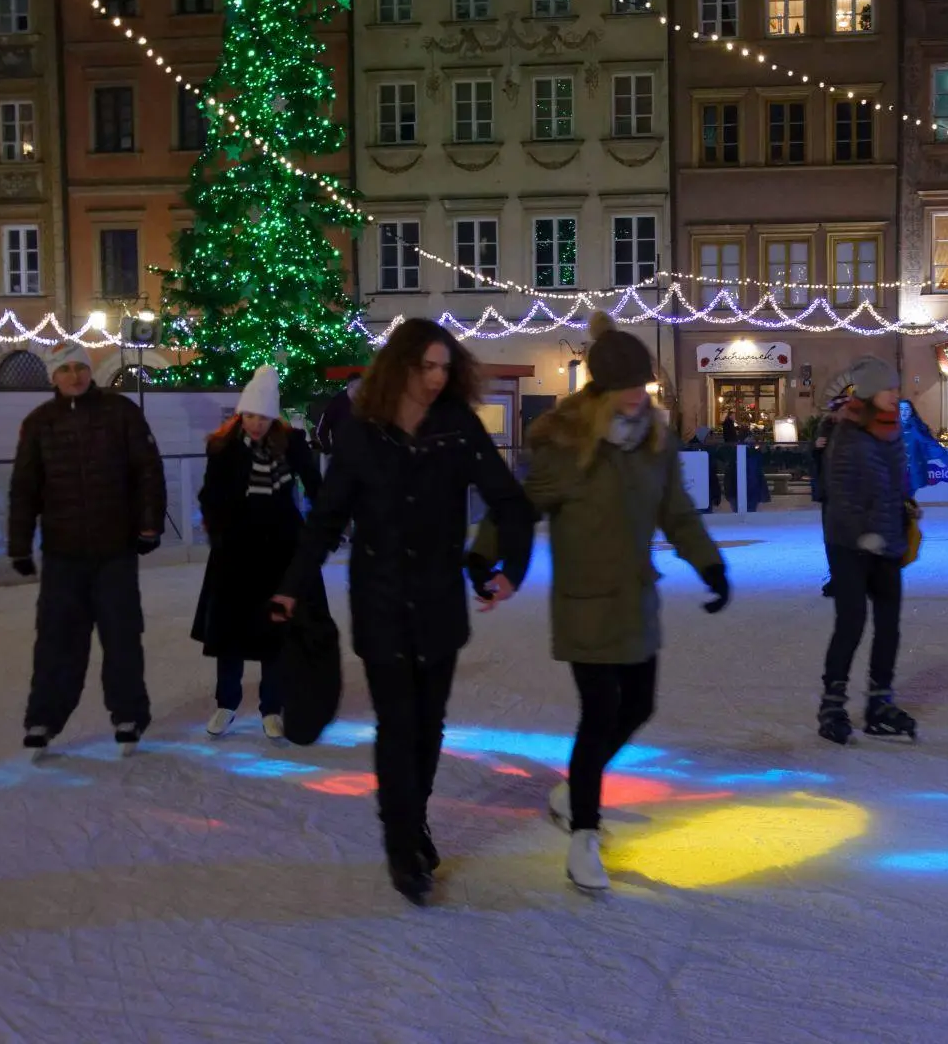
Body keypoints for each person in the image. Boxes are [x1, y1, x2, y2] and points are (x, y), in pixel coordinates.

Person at [271, 319, 534, 905]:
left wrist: (508, 568)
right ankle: (400, 842)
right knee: (397, 722)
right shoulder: (363, 435)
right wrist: (291, 584)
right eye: (427, 367)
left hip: (439, 598)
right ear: (402, 368)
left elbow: (511, 503)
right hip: (382, 598)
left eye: (446, 367)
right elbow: (327, 519)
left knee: (429, 723)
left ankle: (412, 821)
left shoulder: (458, 427)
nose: (438, 378)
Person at [474, 311, 727, 891]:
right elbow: (519, 508)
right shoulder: (566, 446)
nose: (638, 397)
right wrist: (482, 554)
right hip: (584, 601)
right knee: (599, 714)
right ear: (602, 390)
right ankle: (584, 834)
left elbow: (677, 512)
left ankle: (569, 792)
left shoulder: (655, 444)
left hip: (636, 599)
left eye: (644, 386)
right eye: (627, 388)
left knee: (638, 707)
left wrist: (708, 562)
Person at [8, 340, 166, 758]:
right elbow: (24, 489)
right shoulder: (39, 423)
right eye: (64, 370)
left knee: (122, 636)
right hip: (63, 553)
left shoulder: (121, 413)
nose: (73, 376)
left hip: (115, 549)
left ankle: (128, 715)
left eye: (79, 367)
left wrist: (149, 526)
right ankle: (43, 719)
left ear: (89, 370)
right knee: (56, 639)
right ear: (53, 378)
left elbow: (148, 471)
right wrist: (19, 546)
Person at [192, 366, 321, 742]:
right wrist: (218, 532)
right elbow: (209, 494)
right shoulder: (223, 447)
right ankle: (227, 704)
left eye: (263, 417)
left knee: (276, 631)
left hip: (281, 550)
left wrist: (323, 525)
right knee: (229, 630)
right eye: (250, 415)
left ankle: (271, 707)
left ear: (273, 416)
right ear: (240, 413)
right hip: (234, 551)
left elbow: (315, 485)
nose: (255, 424)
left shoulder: (291, 443)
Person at [818, 355, 919, 745]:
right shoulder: (846, 433)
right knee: (852, 622)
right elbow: (840, 491)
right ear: (871, 391)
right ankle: (832, 704)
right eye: (889, 389)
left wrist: (903, 507)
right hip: (849, 543)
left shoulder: (892, 430)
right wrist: (863, 534)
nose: (896, 395)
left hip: (888, 541)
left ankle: (879, 703)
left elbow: (894, 482)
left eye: (896, 388)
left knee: (889, 626)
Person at [812, 393, 848, 597]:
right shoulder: (824, 429)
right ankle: (837, 577)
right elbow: (814, 459)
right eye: (842, 410)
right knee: (832, 539)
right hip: (830, 494)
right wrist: (815, 447)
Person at [314, 372, 361, 458]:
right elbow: (322, 429)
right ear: (350, 387)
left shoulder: (366, 402)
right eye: (359, 388)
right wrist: (328, 449)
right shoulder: (337, 402)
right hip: (342, 453)